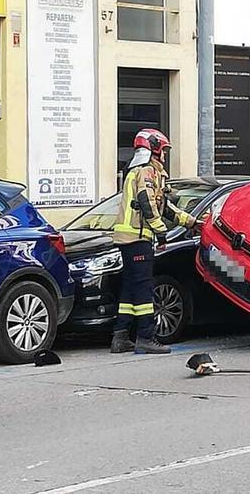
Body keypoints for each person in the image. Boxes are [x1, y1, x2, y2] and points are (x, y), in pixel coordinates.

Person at [109, 129, 199, 355]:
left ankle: (120, 337)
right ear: (154, 148)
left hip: (129, 239)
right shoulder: (147, 171)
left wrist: (190, 222)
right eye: (164, 150)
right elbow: (147, 203)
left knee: (130, 288)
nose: (165, 155)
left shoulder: (140, 171)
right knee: (143, 289)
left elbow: (164, 206)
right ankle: (146, 338)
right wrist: (161, 232)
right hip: (138, 238)